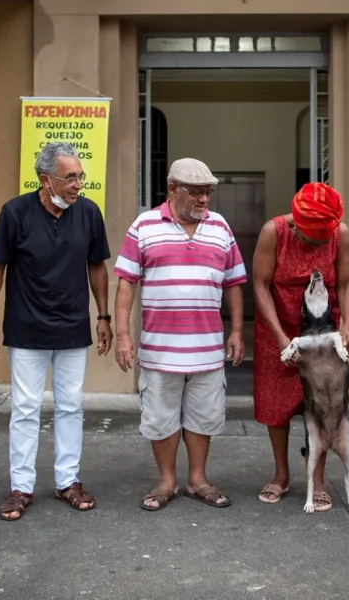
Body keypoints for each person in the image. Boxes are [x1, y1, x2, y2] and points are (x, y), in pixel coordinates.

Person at [0, 141, 112, 521]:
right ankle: (21, 487)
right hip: (26, 327)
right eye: (69, 177)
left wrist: (104, 317)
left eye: (80, 177)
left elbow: (97, 266)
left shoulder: (88, 213)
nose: (77, 184)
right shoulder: (15, 212)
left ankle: (68, 481)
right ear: (45, 179)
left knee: (71, 406)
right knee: (24, 408)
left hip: (72, 326)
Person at [113, 158, 246, 511]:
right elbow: (126, 283)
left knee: (204, 415)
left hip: (206, 348)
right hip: (159, 349)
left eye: (209, 192)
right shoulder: (144, 225)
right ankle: (167, 481)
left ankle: (197, 480)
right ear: (173, 189)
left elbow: (234, 283)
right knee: (160, 416)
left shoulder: (220, 227)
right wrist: (122, 335)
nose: (205, 200)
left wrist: (236, 331)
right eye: (197, 192)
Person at [250, 182, 349, 510]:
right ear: (296, 222)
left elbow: (346, 284)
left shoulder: (341, 234)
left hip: (323, 332)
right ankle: (281, 474)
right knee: (275, 406)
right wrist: (282, 337)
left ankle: (317, 478)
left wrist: (348, 325)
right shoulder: (274, 232)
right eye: (311, 235)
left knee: (323, 405)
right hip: (277, 327)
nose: (316, 241)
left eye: (322, 236)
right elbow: (261, 285)